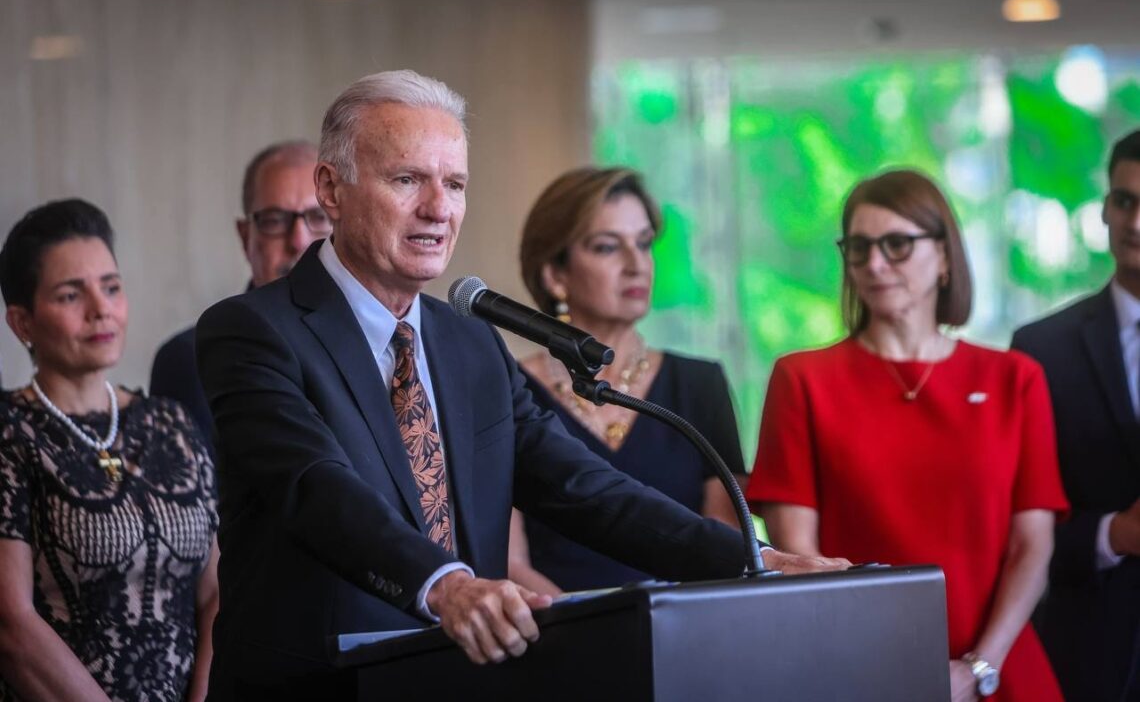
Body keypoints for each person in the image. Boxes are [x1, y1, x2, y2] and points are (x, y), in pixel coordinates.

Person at [194, 69, 847, 699]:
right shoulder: (252, 331)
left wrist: (750, 559)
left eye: (454, 184)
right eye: (407, 180)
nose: (437, 209)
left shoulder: (468, 341)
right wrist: (446, 585)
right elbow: (317, 490)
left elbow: (587, 489)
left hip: (467, 683)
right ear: (332, 190)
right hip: (320, 688)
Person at [746, 170, 1069, 702]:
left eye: (896, 244)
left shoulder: (1015, 379)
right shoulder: (802, 379)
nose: (874, 264)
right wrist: (886, 668)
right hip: (858, 672)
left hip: (1001, 669)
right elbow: (796, 552)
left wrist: (978, 668)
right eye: (859, 247)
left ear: (945, 257)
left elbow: (1032, 546)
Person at [0, 199, 219, 702]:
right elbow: (11, 624)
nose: (101, 309)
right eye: (70, 294)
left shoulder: (171, 422)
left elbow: (214, 590)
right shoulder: (11, 431)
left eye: (112, 287)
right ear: (22, 323)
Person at [509, 166, 746, 595]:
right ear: (554, 274)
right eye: (607, 247)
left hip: (686, 631)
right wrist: (585, 629)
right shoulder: (509, 389)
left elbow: (724, 536)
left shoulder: (699, 383)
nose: (637, 265)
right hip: (557, 636)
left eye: (644, 243)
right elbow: (508, 562)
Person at [1010, 129, 1140, 702]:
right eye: (1125, 201)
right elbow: (1013, 525)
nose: (1135, 222)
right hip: (1086, 655)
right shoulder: (1042, 349)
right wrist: (1116, 533)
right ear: (1106, 208)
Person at [149, 140, 327, 444]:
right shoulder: (191, 359)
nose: (298, 241)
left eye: (319, 218)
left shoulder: (385, 343)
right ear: (246, 237)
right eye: (274, 220)